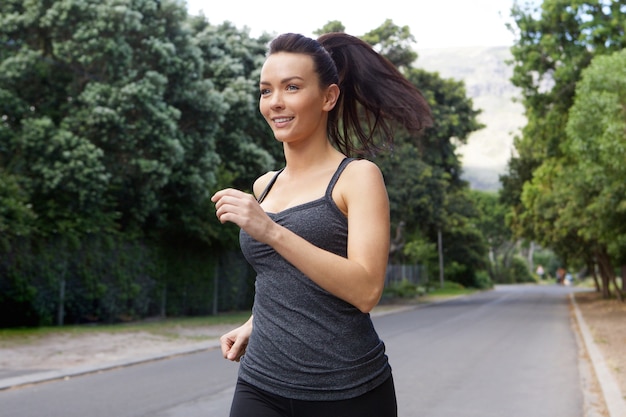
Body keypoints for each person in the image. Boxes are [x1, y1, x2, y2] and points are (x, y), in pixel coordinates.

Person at [211, 32, 432, 417]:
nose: (275, 102)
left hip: (348, 390)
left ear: (328, 97)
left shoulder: (357, 178)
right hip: (261, 382)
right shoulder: (266, 185)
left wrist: (271, 231)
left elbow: (366, 290)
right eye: (266, 91)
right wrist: (255, 322)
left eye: (292, 87)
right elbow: (281, 276)